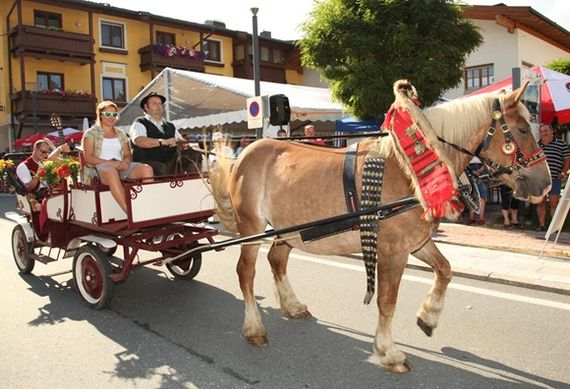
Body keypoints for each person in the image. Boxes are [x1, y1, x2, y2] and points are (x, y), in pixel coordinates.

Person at [82, 101, 154, 213]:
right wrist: (112, 163)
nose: (111, 117)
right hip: (99, 167)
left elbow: (127, 154)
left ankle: (146, 206)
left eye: (114, 114)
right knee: (111, 171)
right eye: (107, 114)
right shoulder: (91, 133)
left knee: (147, 169)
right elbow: (89, 158)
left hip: (120, 165)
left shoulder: (121, 133)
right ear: (100, 115)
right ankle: (131, 214)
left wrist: (126, 161)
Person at [130, 92, 184, 175]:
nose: (158, 106)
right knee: (161, 168)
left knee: (192, 156)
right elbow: (140, 141)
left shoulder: (170, 125)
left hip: (170, 163)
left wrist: (183, 144)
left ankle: (196, 182)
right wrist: (163, 141)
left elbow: (181, 141)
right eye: (154, 103)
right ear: (146, 107)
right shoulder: (139, 122)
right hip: (146, 164)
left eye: (160, 104)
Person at [16, 138, 70, 210]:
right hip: (37, 196)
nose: (45, 155)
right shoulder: (23, 166)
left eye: (46, 152)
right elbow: (28, 187)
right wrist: (37, 175)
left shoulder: (45, 162)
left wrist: (52, 146)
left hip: (50, 192)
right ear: (35, 149)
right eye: (43, 151)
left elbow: (60, 159)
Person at [536, 123, 570, 231]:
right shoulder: (537, 146)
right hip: (540, 179)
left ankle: (553, 228)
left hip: (555, 178)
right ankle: (541, 226)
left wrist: (564, 172)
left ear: (552, 132)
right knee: (540, 203)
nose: (543, 133)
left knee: (554, 203)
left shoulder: (561, 144)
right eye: (541, 131)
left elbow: (567, 160)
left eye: (546, 131)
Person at [466, 156, 488, 226]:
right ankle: (471, 218)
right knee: (471, 197)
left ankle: (481, 219)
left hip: (482, 174)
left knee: (482, 197)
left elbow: (487, 161)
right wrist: (471, 171)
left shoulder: (481, 150)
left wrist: (481, 170)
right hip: (469, 172)